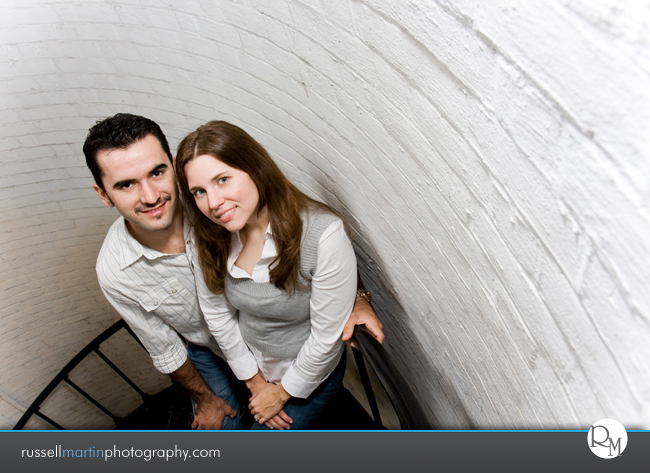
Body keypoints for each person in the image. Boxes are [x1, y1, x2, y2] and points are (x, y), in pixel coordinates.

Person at [83, 113, 384, 430]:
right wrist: (219, 396)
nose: (151, 196)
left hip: (282, 352)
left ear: (172, 166)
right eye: (126, 184)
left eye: (157, 173)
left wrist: (358, 297)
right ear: (103, 194)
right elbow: (170, 346)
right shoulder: (121, 268)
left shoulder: (216, 214)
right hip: (210, 352)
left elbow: (317, 248)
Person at [175, 120, 362, 430]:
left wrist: (281, 394)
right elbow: (218, 315)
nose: (212, 203)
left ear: (256, 168)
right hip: (255, 372)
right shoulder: (207, 235)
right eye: (199, 191)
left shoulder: (322, 235)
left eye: (222, 180)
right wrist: (255, 384)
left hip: (309, 375)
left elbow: (326, 338)